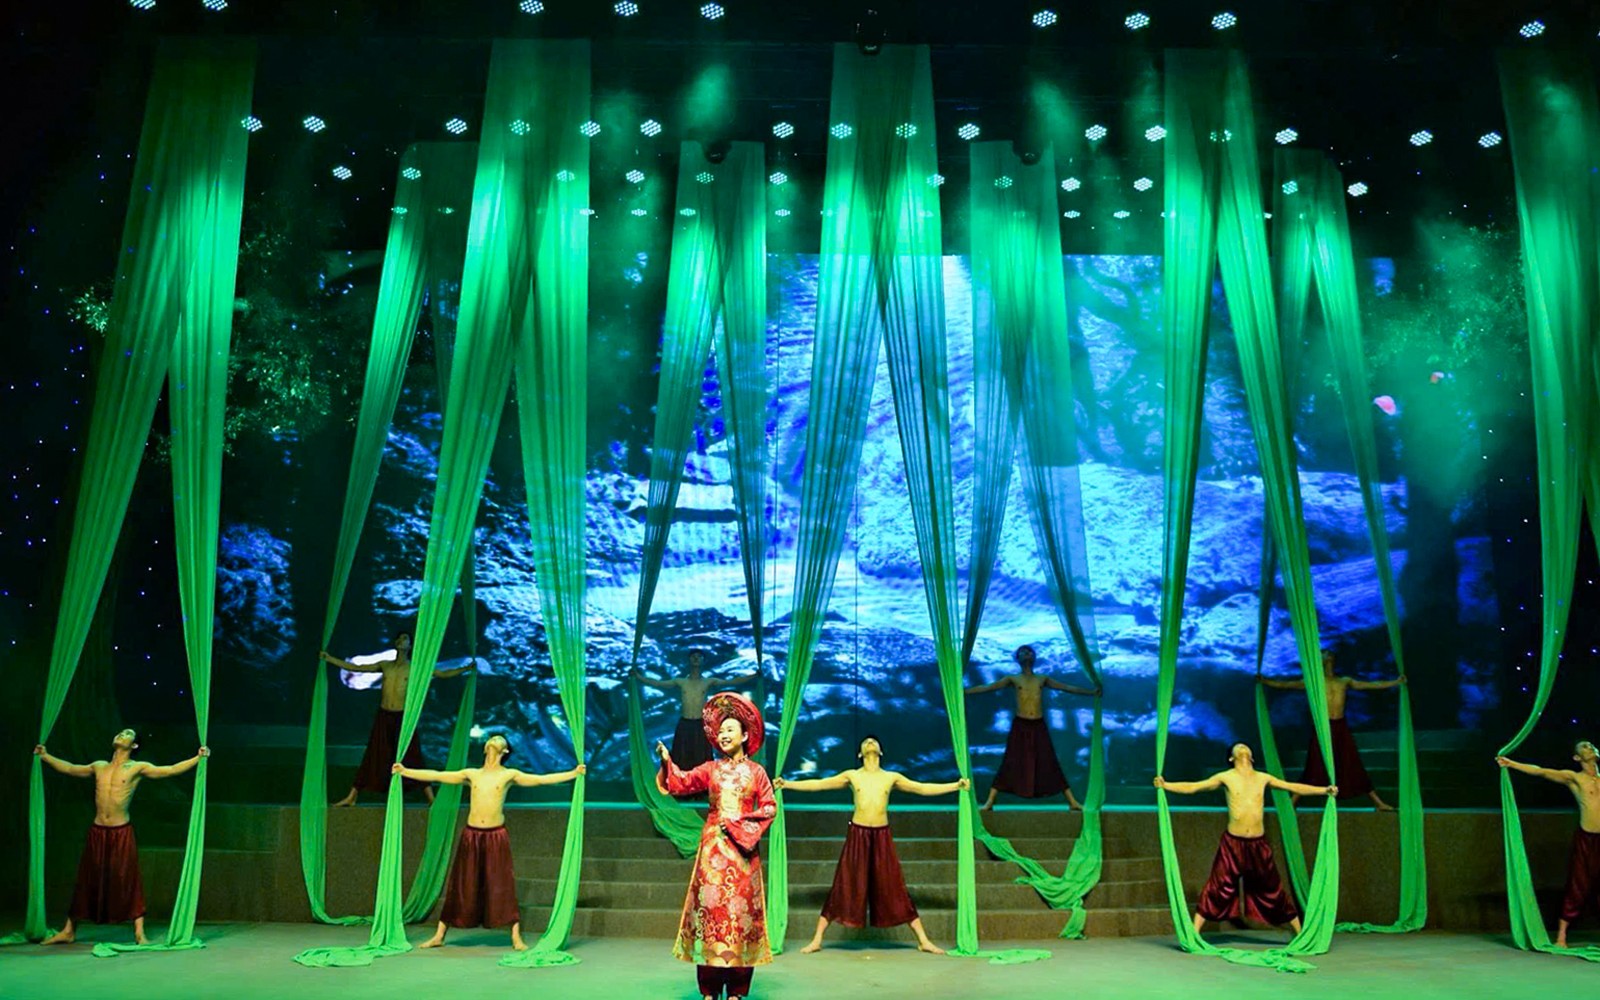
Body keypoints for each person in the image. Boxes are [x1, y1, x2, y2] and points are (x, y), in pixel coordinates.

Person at [775, 735, 970, 955]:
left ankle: (923, 940)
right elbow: (819, 784)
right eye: (865, 742)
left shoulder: (891, 777)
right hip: (857, 835)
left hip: (881, 836)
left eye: (874, 741)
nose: (870, 742)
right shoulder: (852, 776)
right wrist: (787, 784)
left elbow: (922, 788)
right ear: (860, 753)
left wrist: (956, 785)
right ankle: (817, 939)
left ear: (881, 751)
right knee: (844, 883)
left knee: (894, 884)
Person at [393, 734, 584, 950]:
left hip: (496, 836)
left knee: (502, 883)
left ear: (504, 751)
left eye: (499, 739)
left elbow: (541, 779)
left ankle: (515, 937)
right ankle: (439, 934)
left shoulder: (509, 775)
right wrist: (404, 771)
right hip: (471, 835)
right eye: (492, 738)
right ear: (485, 748)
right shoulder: (472, 774)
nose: (494, 739)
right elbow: (438, 775)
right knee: (461, 883)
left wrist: (573, 773)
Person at [33, 730, 208, 945]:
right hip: (97, 831)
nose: (120, 735)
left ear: (133, 746)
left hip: (121, 831)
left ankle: (139, 933)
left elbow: (170, 770)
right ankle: (69, 930)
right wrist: (45, 756)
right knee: (86, 879)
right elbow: (70, 768)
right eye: (120, 732)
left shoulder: (137, 767)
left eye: (127, 734)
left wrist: (198, 758)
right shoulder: (99, 766)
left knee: (128, 878)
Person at [655, 692, 775, 1000]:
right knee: (711, 915)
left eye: (730, 730)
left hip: (743, 854)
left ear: (745, 735)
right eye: (720, 731)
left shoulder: (757, 773)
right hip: (713, 854)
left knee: (739, 917)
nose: (724, 735)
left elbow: (769, 808)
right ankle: (709, 990)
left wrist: (739, 826)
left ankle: (736, 990)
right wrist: (668, 762)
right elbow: (680, 782)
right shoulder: (711, 769)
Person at [1154, 743, 1336, 935]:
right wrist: (1166, 785)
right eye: (1238, 747)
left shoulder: (1263, 778)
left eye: (1246, 747)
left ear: (1252, 757)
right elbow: (1194, 787)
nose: (1242, 748)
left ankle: (1299, 933)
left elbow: (1293, 786)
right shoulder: (1226, 777)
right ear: (1231, 758)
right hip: (1232, 843)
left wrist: (1324, 790)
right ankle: (1193, 932)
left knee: (1272, 888)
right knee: (1218, 886)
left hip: (1258, 844)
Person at [320, 621, 473, 807]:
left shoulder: (415, 667)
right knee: (373, 754)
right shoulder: (385, 665)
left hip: (402, 718)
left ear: (409, 645)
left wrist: (466, 668)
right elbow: (356, 668)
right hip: (384, 715)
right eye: (400, 638)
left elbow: (443, 674)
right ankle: (352, 796)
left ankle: (432, 799)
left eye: (406, 639)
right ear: (395, 643)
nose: (402, 641)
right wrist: (329, 659)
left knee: (413, 756)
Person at [1259, 649, 1404, 811]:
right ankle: (1291, 803)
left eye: (1328, 653)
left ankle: (1378, 803)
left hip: (1340, 727)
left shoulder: (1343, 681)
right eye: (1322, 653)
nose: (1326, 655)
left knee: (1352, 763)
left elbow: (1370, 685)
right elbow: (1284, 684)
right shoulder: (1313, 681)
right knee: (1314, 765)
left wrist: (1395, 682)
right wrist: (1264, 680)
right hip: (1323, 729)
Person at [965, 644, 1098, 811]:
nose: (1026, 654)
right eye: (1023, 652)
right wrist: (965, 691)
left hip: (1038, 724)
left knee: (1049, 760)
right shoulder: (1013, 679)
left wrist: (1091, 692)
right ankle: (989, 802)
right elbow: (988, 687)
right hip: (1021, 725)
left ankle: (1072, 802)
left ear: (1034, 657)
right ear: (1017, 658)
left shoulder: (1042, 679)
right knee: (1010, 760)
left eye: (1029, 652)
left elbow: (1067, 687)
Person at [1497, 740, 1600, 948]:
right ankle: (1561, 936)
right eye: (1584, 747)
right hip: (1587, 839)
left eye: (1591, 745)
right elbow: (1541, 772)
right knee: (1578, 884)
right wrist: (1512, 764)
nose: (1590, 747)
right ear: (1577, 758)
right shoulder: (1575, 778)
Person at [635, 649, 760, 770]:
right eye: (693, 656)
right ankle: (682, 785)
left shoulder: (708, 681)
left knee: (702, 756)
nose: (696, 658)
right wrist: (638, 676)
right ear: (689, 660)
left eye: (699, 656)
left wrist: (754, 675)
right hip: (685, 723)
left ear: (703, 661)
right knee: (682, 755)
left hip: (701, 724)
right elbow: (658, 683)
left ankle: (702, 786)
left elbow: (732, 682)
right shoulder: (681, 682)